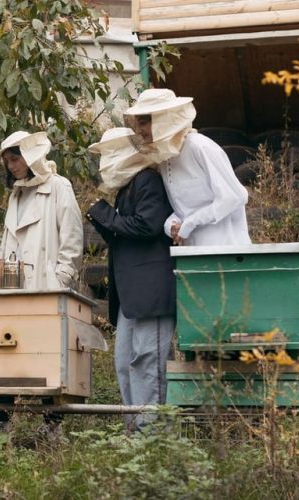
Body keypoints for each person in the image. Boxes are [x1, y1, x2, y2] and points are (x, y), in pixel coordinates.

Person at [0, 130, 84, 438]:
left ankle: (52, 425)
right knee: (4, 347)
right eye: (6, 160)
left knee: (47, 353)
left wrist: (61, 280)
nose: (10, 165)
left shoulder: (59, 187)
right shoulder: (16, 193)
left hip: (45, 285)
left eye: (14, 158)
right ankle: (1, 420)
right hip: (12, 284)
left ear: (30, 156)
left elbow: (72, 238)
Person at [85, 127, 176, 432]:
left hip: (152, 292)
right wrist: (101, 218)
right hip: (131, 295)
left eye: (111, 153)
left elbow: (147, 226)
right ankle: (134, 430)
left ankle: (153, 434)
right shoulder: (127, 189)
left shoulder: (147, 180)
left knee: (150, 362)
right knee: (125, 363)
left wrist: (105, 213)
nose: (106, 162)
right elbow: (124, 239)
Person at [123, 88, 251, 246]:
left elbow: (234, 196)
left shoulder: (200, 146)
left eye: (143, 122)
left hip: (227, 249)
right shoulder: (164, 158)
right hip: (191, 253)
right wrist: (172, 225)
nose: (139, 130)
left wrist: (190, 222)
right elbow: (183, 208)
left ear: (163, 119)